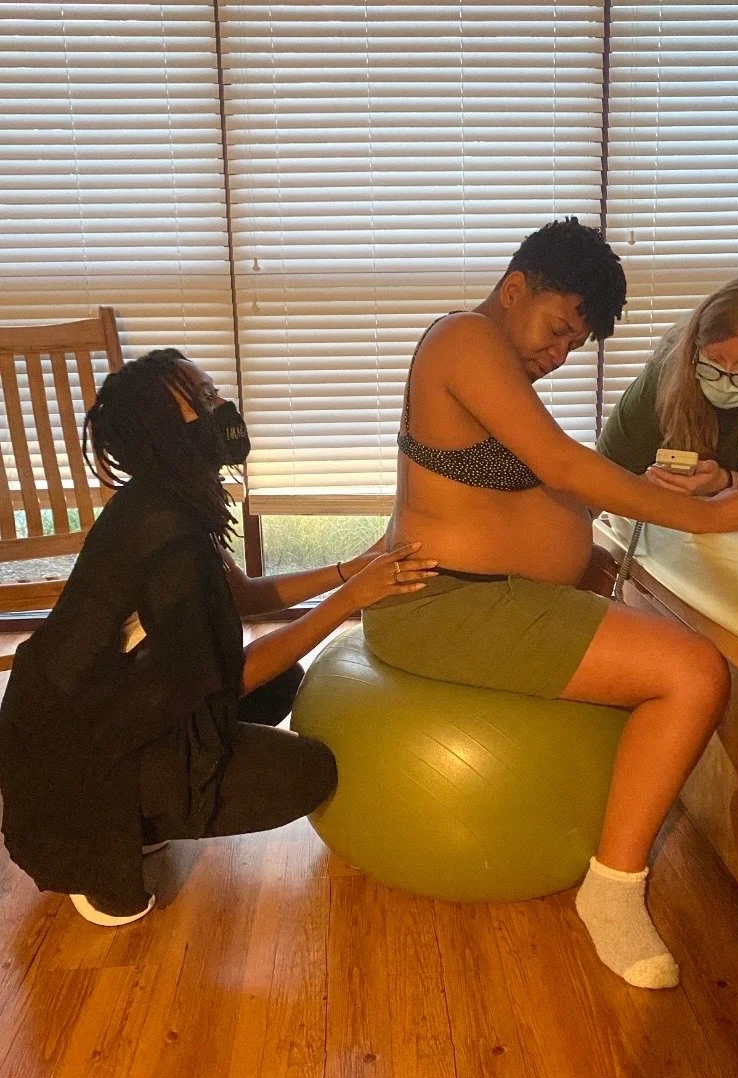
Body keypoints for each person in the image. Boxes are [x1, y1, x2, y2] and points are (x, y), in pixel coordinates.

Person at [362, 218, 738, 990]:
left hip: (485, 595)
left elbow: (521, 488)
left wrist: (618, 517)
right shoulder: (463, 337)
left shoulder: (497, 373)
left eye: (572, 346)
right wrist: (707, 514)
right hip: (449, 605)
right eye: (558, 328)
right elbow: (560, 462)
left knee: (677, 641)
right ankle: (614, 889)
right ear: (515, 287)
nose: (558, 355)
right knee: (694, 673)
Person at [0, 349, 435, 926]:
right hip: (75, 761)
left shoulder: (174, 498)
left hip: (111, 712)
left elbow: (246, 596)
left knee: (287, 680)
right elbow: (222, 680)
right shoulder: (162, 527)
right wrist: (350, 601)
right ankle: (119, 829)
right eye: (203, 401)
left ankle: (147, 807)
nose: (222, 408)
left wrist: (349, 569)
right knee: (307, 773)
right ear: (163, 430)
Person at [597, 274, 738, 494]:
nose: (725, 378)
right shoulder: (669, 370)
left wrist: (726, 482)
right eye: (713, 361)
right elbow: (604, 475)